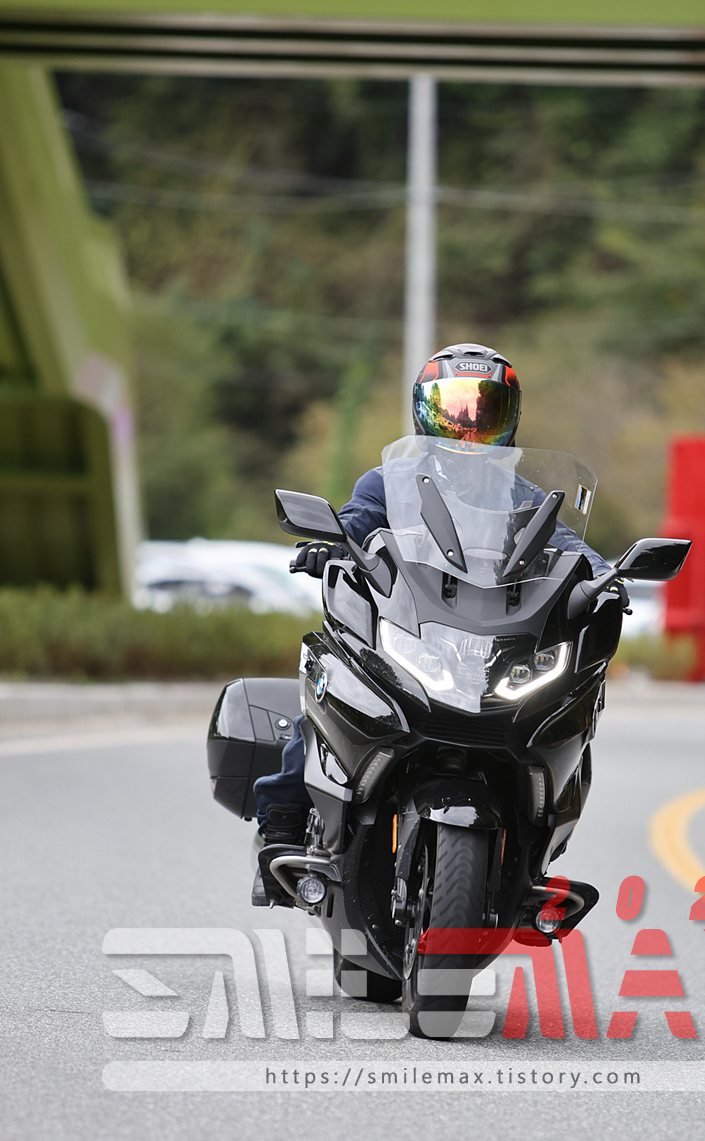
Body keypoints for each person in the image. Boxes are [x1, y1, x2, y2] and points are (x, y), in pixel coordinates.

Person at [249, 342, 613, 903]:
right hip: (409, 624)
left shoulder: (524, 496)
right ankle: (283, 822)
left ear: (510, 418)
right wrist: (331, 545)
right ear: (425, 413)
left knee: (560, 709)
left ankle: (533, 849)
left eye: (485, 411)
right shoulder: (387, 481)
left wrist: (606, 575)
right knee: (336, 684)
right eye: (455, 410)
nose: (469, 426)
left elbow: (567, 546)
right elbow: (355, 523)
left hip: (489, 640)